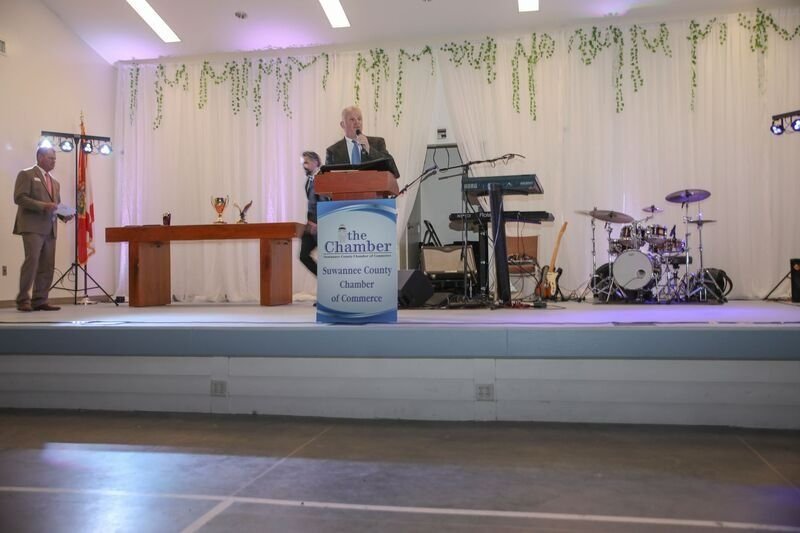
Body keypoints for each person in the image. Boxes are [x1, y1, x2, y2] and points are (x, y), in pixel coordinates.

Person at [13, 146, 72, 312]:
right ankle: (23, 300)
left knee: (47, 265)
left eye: (55, 159)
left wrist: (64, 215)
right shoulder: (27, 174)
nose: (54, 161)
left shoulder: (55, 182)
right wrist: (43, 205)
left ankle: (40, 300)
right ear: (40, 157)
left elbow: (56, 206)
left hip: (50, 228)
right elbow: (19, 198)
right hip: (32, 226)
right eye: (50, 158)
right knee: (32, 262)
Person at [325, 105, 400, 179]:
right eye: (352, 119)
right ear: (342, 124)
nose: (357, 122)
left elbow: (393, 171)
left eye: (359, 119)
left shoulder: (377, 143)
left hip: (372, 189)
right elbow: (326, 180)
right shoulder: (333, 151)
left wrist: (369, 149)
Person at [299, 150, 326, 276]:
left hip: (321, 222)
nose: (304, 165)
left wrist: (315, 221)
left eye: (306, 162)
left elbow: (323, 201)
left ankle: (330, 281)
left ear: (315, 162)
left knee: (328, 255)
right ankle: (324, 278)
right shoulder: (308, 181)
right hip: (310, 223)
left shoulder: (323, 177)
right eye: (303, 163)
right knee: (304, 255)